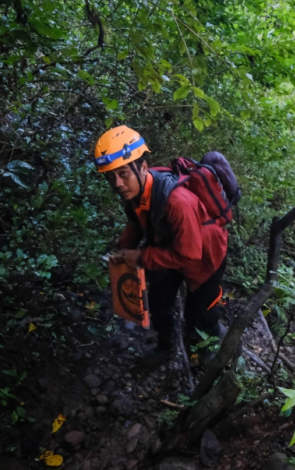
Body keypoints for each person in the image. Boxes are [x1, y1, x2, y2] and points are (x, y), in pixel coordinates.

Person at [94, 126, 229, 368]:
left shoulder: (178, 202)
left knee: (200, 313)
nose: (118, 183)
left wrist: (142, 257)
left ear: (142, 167)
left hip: (205, 256)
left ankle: (211, 356)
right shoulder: (138, 189)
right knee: (159, 301)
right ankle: (167, 348)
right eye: (111, 176)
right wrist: (125, 248)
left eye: (123, 173)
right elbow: (137, 221)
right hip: (169, 247)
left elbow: (189, 254)